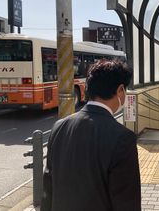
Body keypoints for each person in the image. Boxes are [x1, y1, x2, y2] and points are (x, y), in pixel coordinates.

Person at [41, 59, 141, 211]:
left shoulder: (59, 126)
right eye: (125, 90)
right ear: (120, 90)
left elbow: (48, 188)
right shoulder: (122, 137)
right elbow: (126, 200)